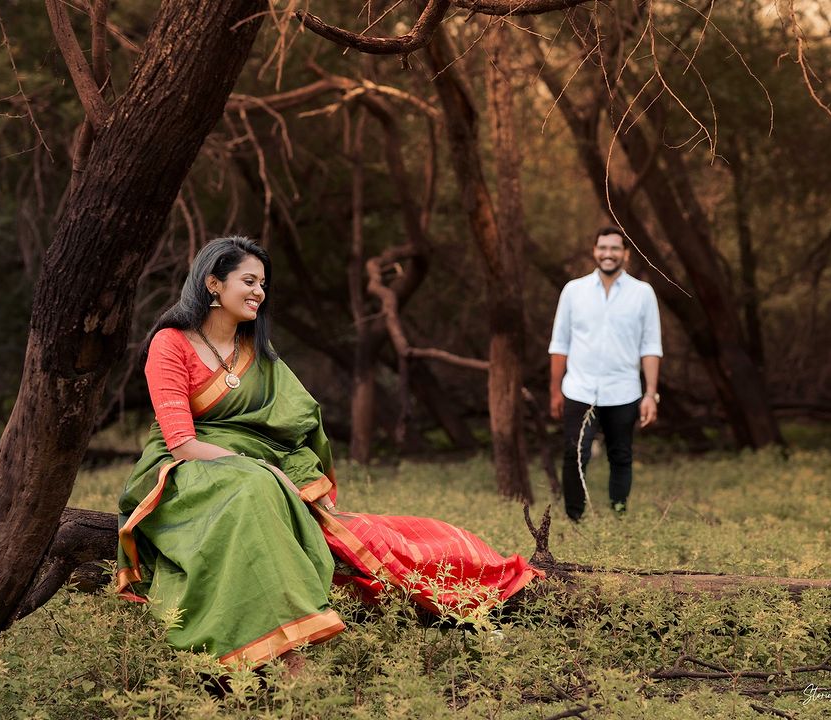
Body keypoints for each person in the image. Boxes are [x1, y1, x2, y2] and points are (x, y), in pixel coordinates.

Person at [117, 237, 540, 669]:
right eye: (248, 280)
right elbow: (182, 442)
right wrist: (260, 469)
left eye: (263, 283)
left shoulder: (258, 353)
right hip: (186, 471)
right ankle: (280, 652)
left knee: (369, 537)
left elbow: (294, 427)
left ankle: (472, 596)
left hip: (260, 473)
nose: (259, 292)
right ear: (212, 283)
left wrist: (292, 475)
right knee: (252, 491)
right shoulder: (171, 343)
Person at [548, 227, 663, 522]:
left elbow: (650, 346)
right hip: (579, 388)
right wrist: (555, 390)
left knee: (621, 456)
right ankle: (574, 518)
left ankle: (618, 516)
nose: (608, 254)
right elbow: (560, 344)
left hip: (623, 391)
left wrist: (650, 394)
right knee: (575, 456)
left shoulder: (642, 294)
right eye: (602, 248)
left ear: (625, 253)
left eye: (614, 248)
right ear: (594, 251)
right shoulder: (574, 291)